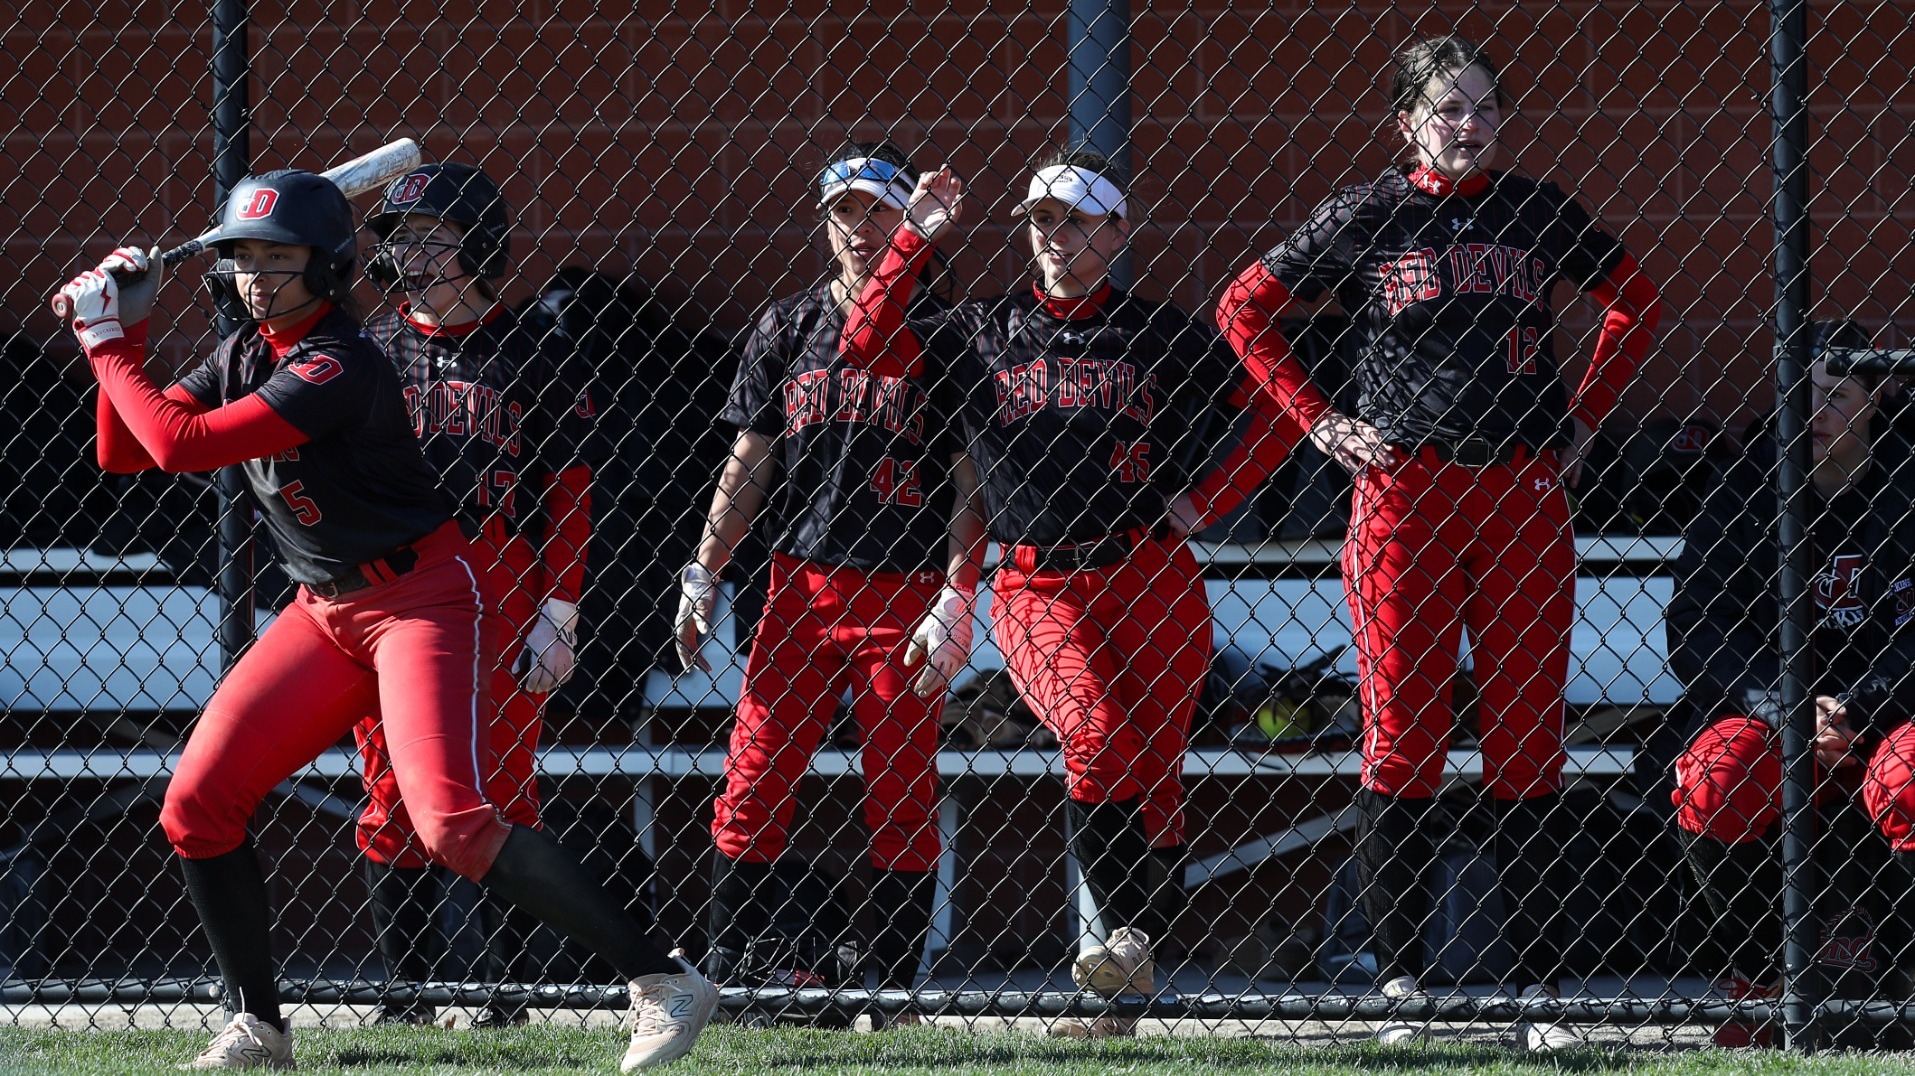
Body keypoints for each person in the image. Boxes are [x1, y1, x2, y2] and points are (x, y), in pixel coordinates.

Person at [53, 168, 714, 1072]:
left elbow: (183, 446)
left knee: (453, 825)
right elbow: (125, 448)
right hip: (323, 608)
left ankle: (661, 982)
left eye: (276, 257)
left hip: (419, 604)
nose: (254, 275)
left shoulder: (340, 359)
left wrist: (103, 341)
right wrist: (123, 331)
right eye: (241, 256)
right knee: (198, 806)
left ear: (326, 268)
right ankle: (260, 1025)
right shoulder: (248, 349)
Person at [1213, 35, 1661, 1052]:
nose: (1467, 126)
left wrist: (1585, 415)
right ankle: (1400, 983)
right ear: (1405, 120)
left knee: (1523, 744)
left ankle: (1539, 991)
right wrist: (1319, 421)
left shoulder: (1537, 209)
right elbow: (1243, 307)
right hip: (1401, 495)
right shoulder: (1368, 214)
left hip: (1521, 491)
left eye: (1483, 109)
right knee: (1403, 737)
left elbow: (1637, 298)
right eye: (1445, 109)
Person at [841, 148, 1300, 1036]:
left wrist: (1208, 497)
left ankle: (1121, 1002)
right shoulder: (981, 327)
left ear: (1118, 230)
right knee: (1093, 736)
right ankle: (1127, 941)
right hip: (1033, 577)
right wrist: (912, 240)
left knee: (1155, 780)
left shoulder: (1158, 333)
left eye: (1077, 220)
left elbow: (1281, 405)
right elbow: (864, 344)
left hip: (1148, 571)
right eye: (1041, 221)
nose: (1055, 238)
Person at [671, 142, 983, 1021]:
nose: (858, 229)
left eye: (877, 211)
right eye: (842, 213)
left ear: (907, 221)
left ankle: (889, 990)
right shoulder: (785, 325)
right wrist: (704, 570)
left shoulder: (945, 330)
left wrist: (959, 594)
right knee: (754, 780)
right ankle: (720, 978)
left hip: (904, 589)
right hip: (799, 586)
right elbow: (749, 460)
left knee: (900, 789)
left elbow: (970, 479)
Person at [354, 161, 597, 1028]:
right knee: (391, 791)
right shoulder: (368, 350)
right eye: (399, 241)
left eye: (434, 240)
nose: (412, 257)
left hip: (501, 582)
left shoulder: (535, 347)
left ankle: (506, 995)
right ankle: (408, 995)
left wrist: (558, 610)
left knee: (501, 790)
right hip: (393, 588)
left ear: (481, 246)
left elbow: (570, 493)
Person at [1668, 320, 1915, 1047]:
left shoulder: (1908, 480)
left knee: (1909, 778)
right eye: (1799, 396)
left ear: (1876, 401)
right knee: (1716, 777)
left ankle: (1903, 984)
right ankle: (1756, 985)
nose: (1814, 415)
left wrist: (1861, 706)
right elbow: (1696, 620)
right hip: (1776, 710)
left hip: (1889, 706)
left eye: (1837, 395)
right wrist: (1783, 707)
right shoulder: (1748, 481)